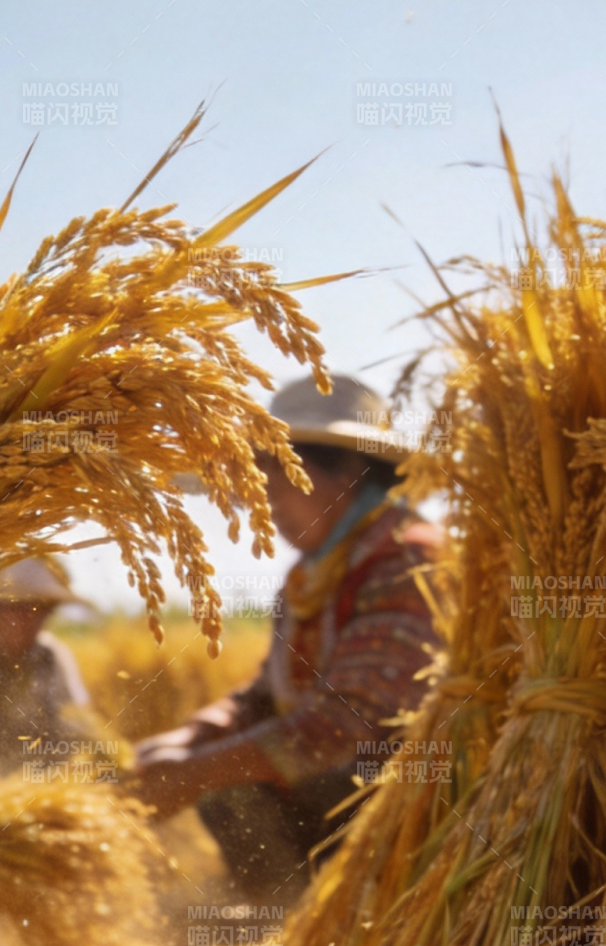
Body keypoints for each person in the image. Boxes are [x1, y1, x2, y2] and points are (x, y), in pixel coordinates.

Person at [127, 374, 442, 899]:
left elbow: (346, 725)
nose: (265, 508)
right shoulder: (311, 576)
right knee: (228, 789)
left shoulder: (406, 558)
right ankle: (289, 925)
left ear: (340, 475)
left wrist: (194, 773)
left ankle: (340, 925)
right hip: (337, 792)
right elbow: (263, 698)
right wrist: (191, 739)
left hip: (412, 805)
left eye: (274, 486)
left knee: (228, 787)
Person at [0, 557, 97, 782]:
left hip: (43, 786)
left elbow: (76, 727)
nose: (29, 618)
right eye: (17, 608)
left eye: (40, 608)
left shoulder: (51, 657)